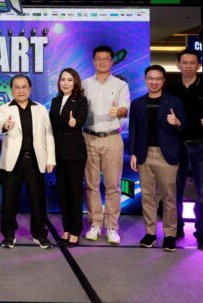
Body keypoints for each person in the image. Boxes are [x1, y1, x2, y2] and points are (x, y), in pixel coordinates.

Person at [129, 65, 186, 252]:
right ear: (145, 80)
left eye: (158, 78)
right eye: (150, 78)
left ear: (163, 80)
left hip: (166, 155)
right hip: (144, 154)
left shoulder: (174, 102)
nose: (154, 82)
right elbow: (134, 130)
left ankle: (170, 235)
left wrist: (177, 122)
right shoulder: (137, 103)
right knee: (147, 196)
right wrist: (133, 153)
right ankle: (150, 233)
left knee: (169, 197)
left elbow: (184, 126)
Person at [166, 48, 203, 250]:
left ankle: (202, 234)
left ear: (198, 65)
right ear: (178, 65)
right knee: (175, 192)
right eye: (184, 62)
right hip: (177, 146)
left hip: (202, 146)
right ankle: (177, 228)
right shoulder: (171, 89)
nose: (188, 66)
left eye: (192, 63)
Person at [0, 74, 55, 249]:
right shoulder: (4, 108)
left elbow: (48, 135)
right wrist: (6, 126)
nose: (20, 90)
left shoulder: (40, 109)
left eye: (24, 87)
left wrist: (50, 159)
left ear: (30, 89)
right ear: (11, 89)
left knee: (38, 201)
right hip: (12, 163)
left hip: (35, 161)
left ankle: (39, 234)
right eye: (16, 87)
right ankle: (8, 235)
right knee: (8, 202)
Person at [82, 45, 130, 244]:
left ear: (112, 61)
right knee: (91, 184)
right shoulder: (84, 84)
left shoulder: (120, 85)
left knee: (113, 185)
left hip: (112, 138)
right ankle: (95, 223)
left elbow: (125, 108)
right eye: (98, 59)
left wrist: (118, 112)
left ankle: (111, 227)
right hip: (88, 137)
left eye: (106, 59)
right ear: (93, 61)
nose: (102, 62)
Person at [49, 68, 88, 247]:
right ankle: (66, 229)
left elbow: (82, 119)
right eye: (63, 79)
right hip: (58, 153)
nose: (65, 83)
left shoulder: (81, 100)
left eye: (69, 80)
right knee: (62, 193)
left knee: (74, 193)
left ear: (75, 82)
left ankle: (75, 231)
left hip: (74, 154)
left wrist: (75, 122)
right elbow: (51, 125)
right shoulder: (55, 101)